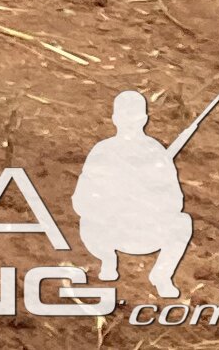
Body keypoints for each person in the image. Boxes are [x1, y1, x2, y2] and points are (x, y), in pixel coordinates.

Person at [73, 90, 195, 298]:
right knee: (87, 221)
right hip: (110, 231)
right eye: (125, 118)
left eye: (134, 118)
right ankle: (108, 260)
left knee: (182, 222)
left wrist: (147, 201)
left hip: (146, 232)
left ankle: (162, 275)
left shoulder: (156, 153)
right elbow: (81, 200)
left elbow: (175, 201)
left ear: (144, 120)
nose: (130, 124)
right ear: (115, 119)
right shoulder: (102, 151)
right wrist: (110, 204)